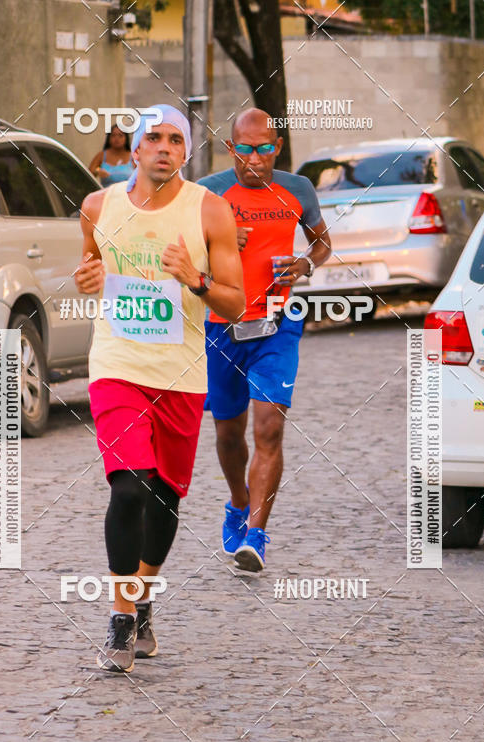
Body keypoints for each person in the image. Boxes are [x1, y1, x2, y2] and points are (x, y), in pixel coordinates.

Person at [75, 104, 245, 673]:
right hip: (118, 364)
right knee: (128, 488)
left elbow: (235, 301)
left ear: (186, 151)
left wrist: (194, 280)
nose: (165, 147)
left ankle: (144, 598)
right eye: (155, 137)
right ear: (136, 148)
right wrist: (87, 277)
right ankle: (122, 617)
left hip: (180, 375)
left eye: (177, 139)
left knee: (163, 496)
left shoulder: (210, 212)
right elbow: (90, 268)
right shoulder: (99, 206)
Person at [198, 108, 331, 573]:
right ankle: (238, 502)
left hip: (279, 322)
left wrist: (305, 265)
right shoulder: (208, 191)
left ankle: (256, 532)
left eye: (265, 148)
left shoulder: (298, 189)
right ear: (231, 148)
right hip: (222, 325)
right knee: (228, 432)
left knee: (269, 427)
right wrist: (219, 242)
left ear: (277, 147)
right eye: (246, 148)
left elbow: (322, 242)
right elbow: (179, 251)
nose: (255, 158)